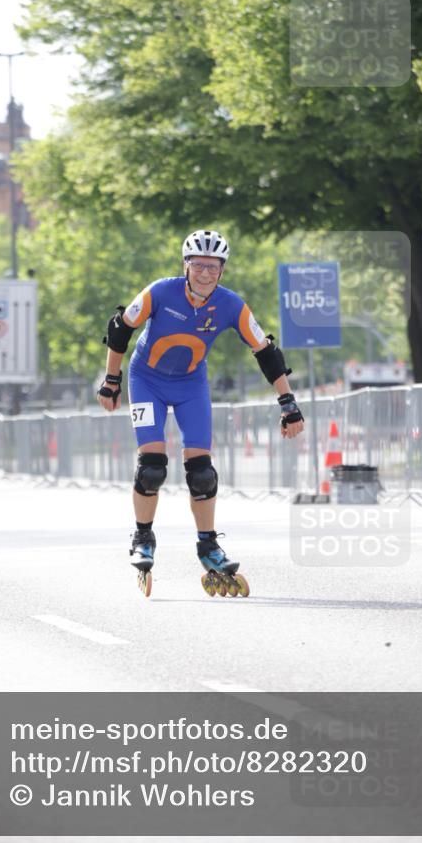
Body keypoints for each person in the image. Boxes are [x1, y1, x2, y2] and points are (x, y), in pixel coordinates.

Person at [97, 229, 304, 592]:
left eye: (213, 267)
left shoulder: (230, 305)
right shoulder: (160, 291)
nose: (205, 274)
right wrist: (111, 380)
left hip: (191, 385)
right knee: (152, 469)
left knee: (202, 473)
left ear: (222, 270)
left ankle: (208, 545)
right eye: (198, 266)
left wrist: (288, 404)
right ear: (186, 266)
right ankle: (143, 537)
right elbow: (120, 328)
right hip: (146, 380)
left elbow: (266, 351)